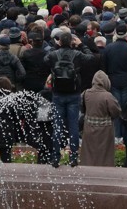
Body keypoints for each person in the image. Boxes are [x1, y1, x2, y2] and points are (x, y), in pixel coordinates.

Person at [45, 29, 92, 167]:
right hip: (73, 93)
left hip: (58, 93)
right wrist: (81, 44)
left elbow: (45, 59)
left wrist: (56, 46)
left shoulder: (54, 54)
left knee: (57, 126)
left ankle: (55, 157)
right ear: (71, 42)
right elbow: (90, 58)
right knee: (73, 127)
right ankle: (73, 157)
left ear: (59, 41)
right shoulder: (77, 54)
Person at [79, 70, 121, 167]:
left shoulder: (86, 93)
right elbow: (116, 111)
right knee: (104, 155)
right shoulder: (108, 96)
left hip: (89, 127)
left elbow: (81, 107)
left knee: (89, 152)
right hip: (105, 131)